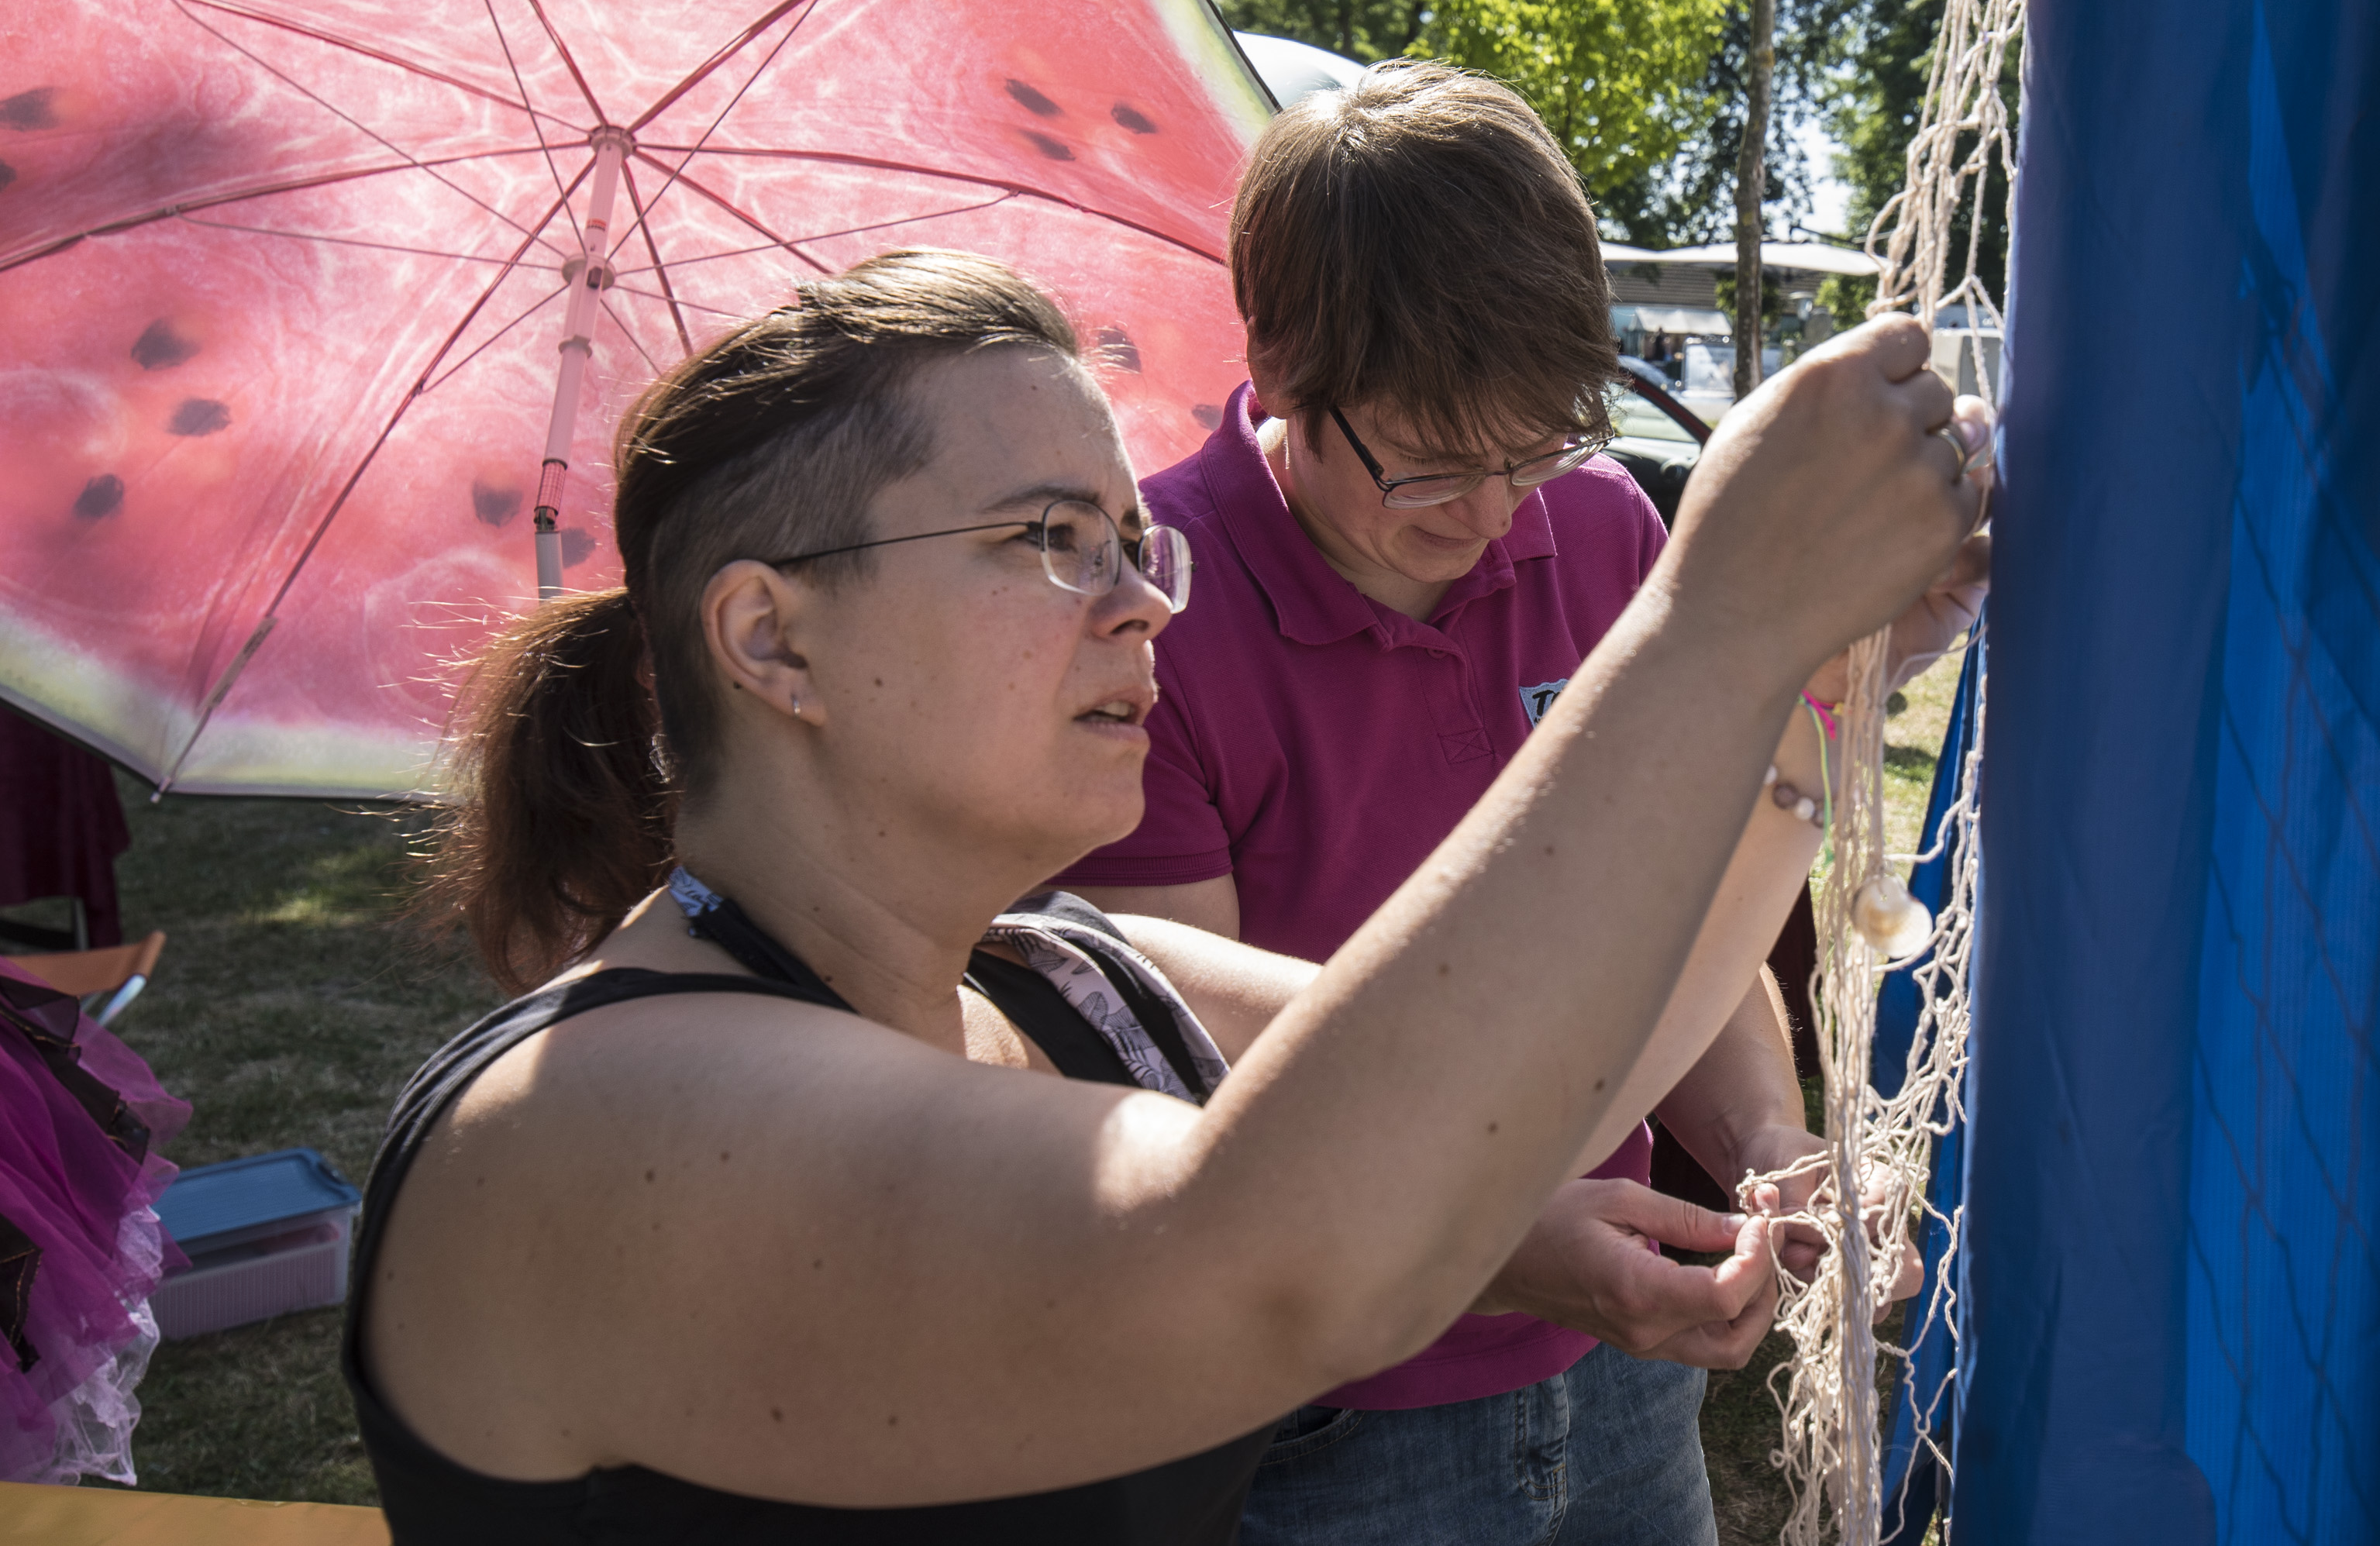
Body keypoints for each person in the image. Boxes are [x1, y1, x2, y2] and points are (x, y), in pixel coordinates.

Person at [344, 247, 1988, 1544]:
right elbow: (1280, 1259)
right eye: (1052, 538)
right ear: (772, 640)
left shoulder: (1071, 974)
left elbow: (1557, 1088)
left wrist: (1807, 691)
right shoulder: (576, 1121)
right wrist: (1712, 623)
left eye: (1138, 542)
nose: (1143, 604)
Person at [1059, 63, 1978, 1545]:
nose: (1494, 516)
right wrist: (1484, 1236)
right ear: (1280, 361)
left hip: (1611, 1370)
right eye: (1428, 464)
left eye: (1535, 444)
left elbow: (1671, 920)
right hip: (1327, 1407)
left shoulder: (1604, 524)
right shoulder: (1144, 607)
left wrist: (1762, 1140)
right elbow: (1181, 1071)